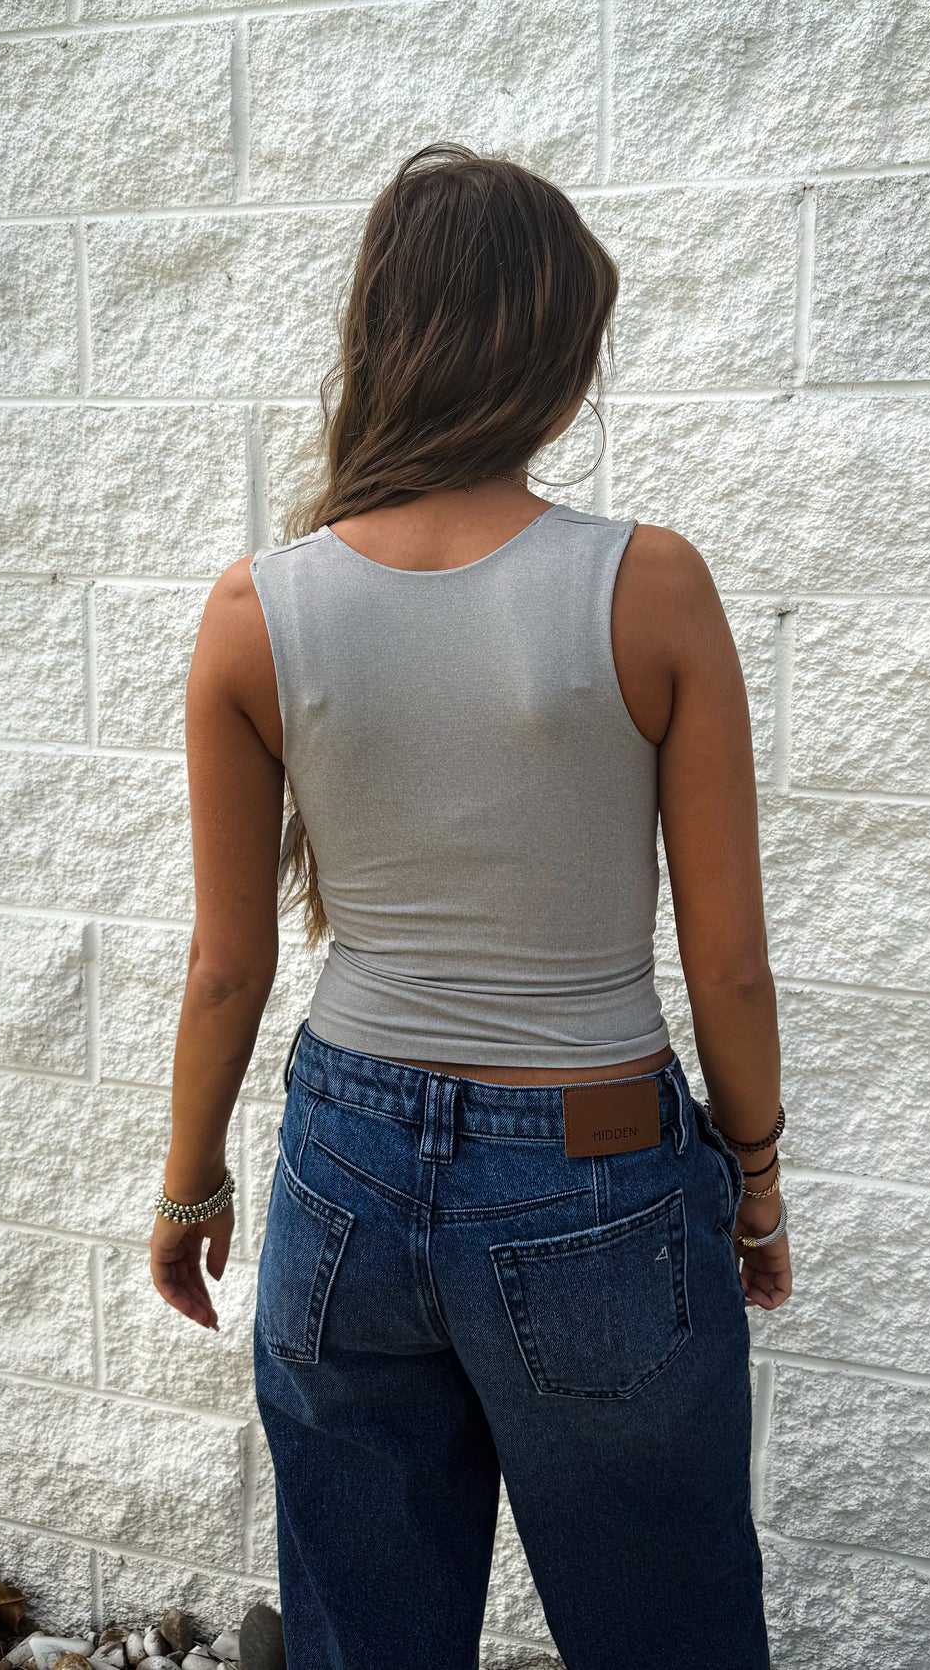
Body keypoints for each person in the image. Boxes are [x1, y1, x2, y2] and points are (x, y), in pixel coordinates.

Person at [149, 142, 791, 1670]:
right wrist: (754, 1183)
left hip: (343, 1164)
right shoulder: (649, 586)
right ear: (553, 349)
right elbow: (728, 965)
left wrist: (189, 1190)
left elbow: (228, 964)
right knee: (667, 1630)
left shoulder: (255, 608)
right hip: (595, 1167)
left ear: (383, 335)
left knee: (365, 1632)